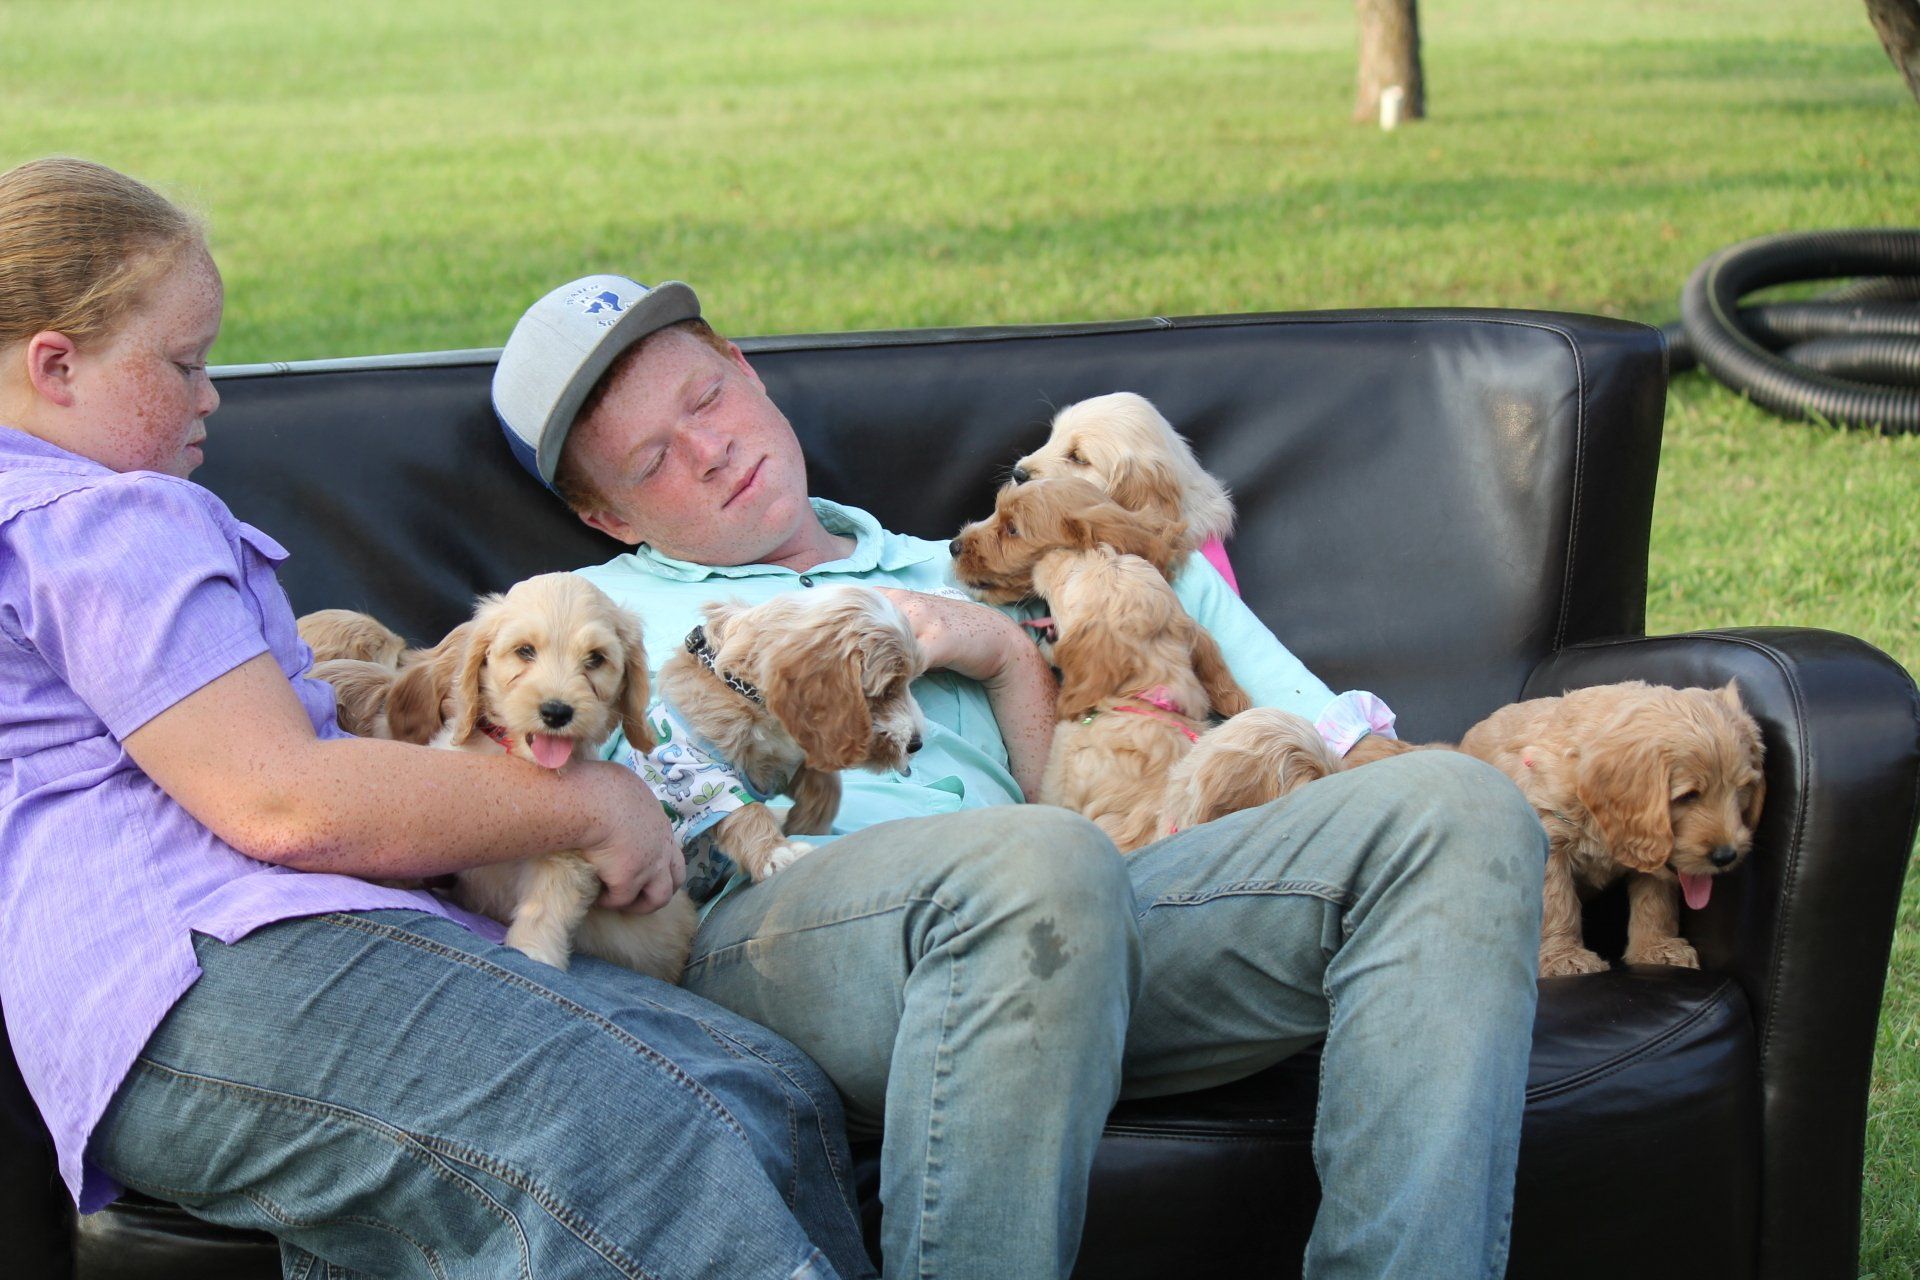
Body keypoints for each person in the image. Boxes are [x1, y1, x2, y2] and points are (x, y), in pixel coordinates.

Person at [494, 274, 1553, 1280]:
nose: (712, 449)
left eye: (708, 396)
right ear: (611, 518)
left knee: (1455, 809)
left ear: (745, 367)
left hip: (1081, 904)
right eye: (654, 459)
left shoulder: (1013, 556)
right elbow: (517, 793)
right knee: (1038, 860)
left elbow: (1295, 735)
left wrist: (997, 652)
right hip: (785, 933)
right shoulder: (581, 620)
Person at [0, 159, 874, 1280]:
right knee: (633, 1143)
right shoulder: (97, 516)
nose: (212, 394)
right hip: (225, 971)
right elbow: (283, 799)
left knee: (768, 1091)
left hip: (218, 998)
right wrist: (588, 797)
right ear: (56, 365)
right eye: (185, 362)